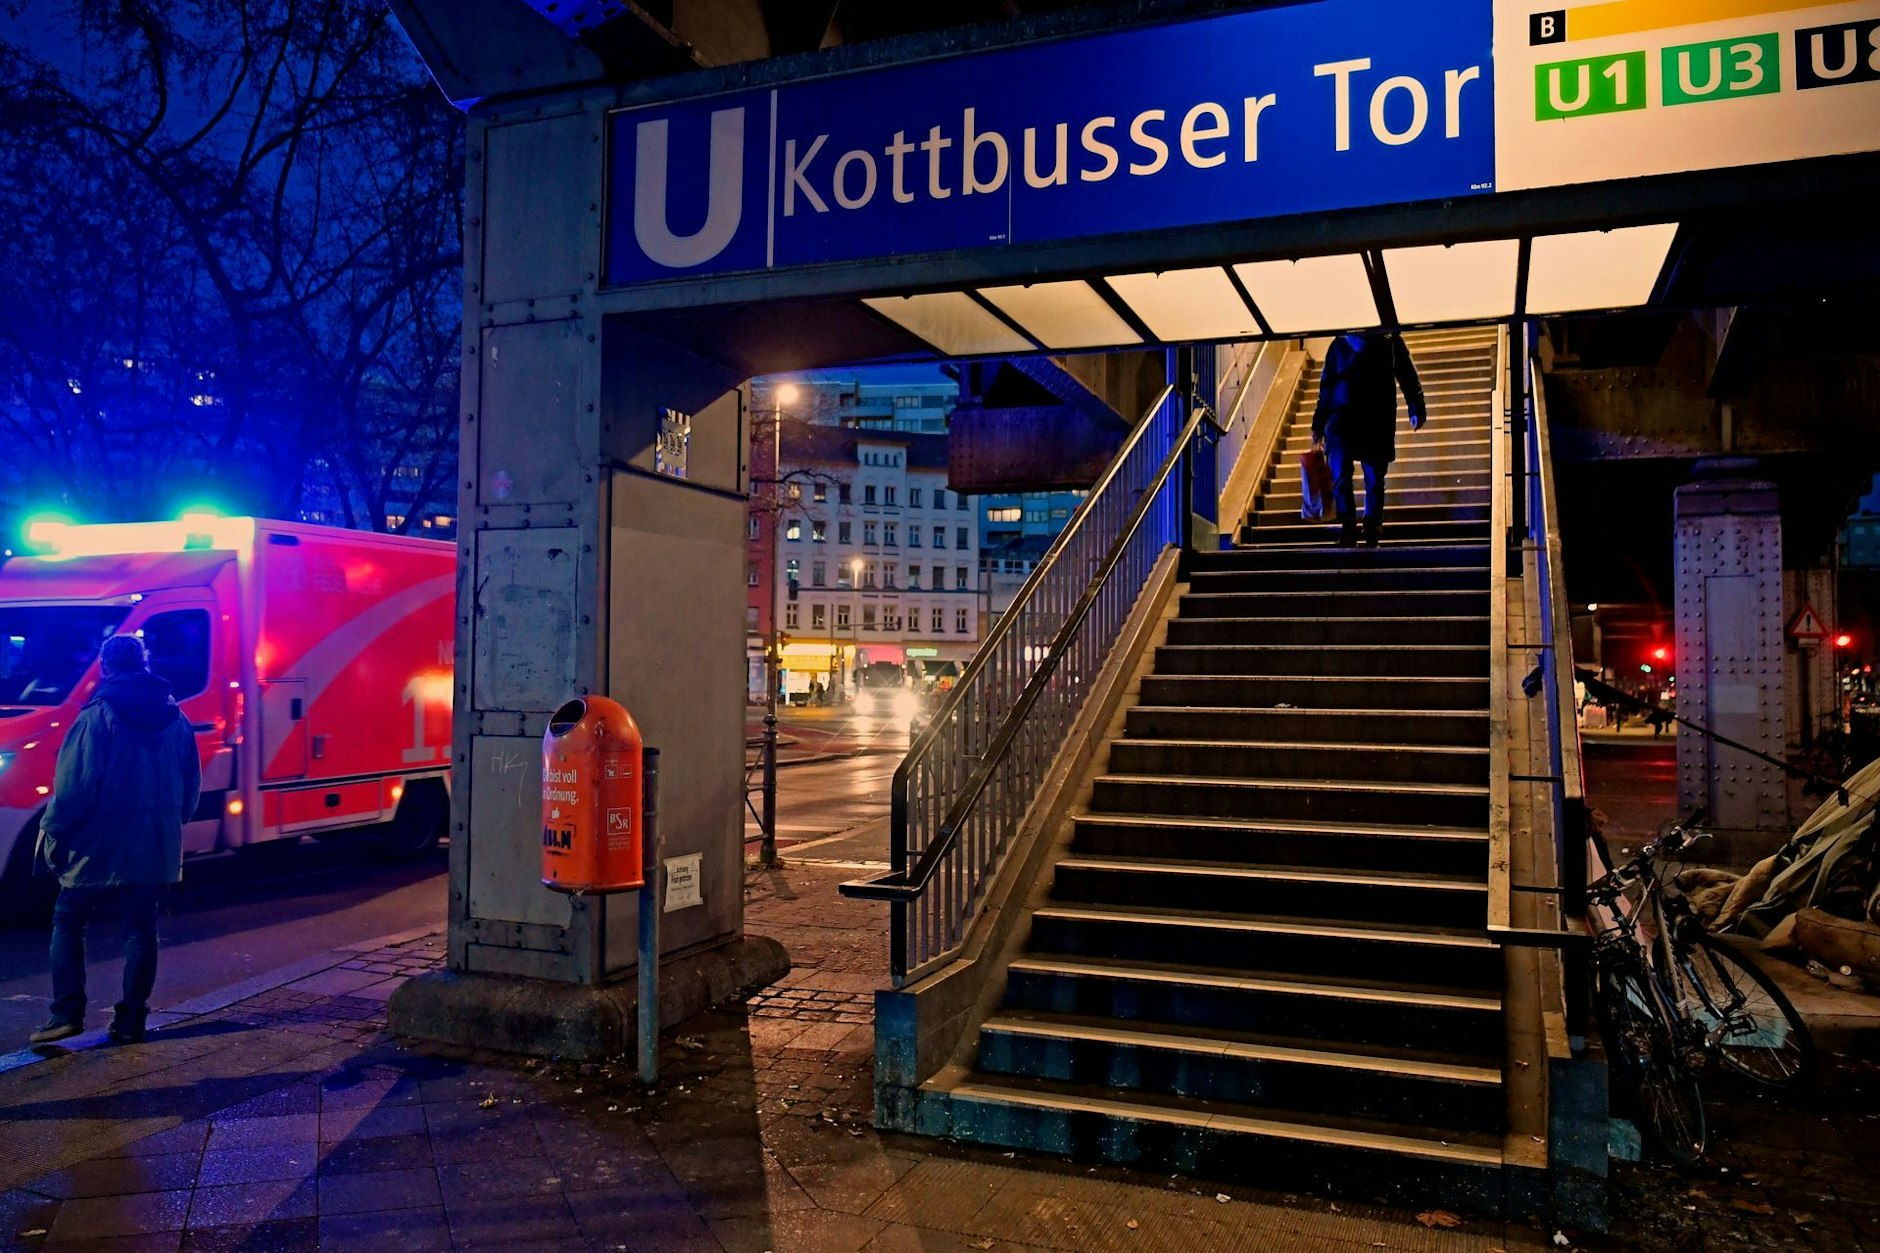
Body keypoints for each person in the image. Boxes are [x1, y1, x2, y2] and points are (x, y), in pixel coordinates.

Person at [29, 634, 199, 1046]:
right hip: (153, 842)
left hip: (99, 843)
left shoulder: (97, 717)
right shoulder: (176, 718)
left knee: (68, 921)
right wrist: (170, 824)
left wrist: (52, 829)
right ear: (144, 663)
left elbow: (74, 791)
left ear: (105, 667)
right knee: (141, 929)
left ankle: (66, 1013)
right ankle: (130, 1021)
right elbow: (190, 787)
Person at [1310, 330, 1427, 547]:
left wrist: (1417, 407)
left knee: (1347, 476)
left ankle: (1354, 527)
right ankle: (1367, 528)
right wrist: (1416, 406)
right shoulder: (1386, 341)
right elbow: (1406, 373)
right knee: (1370, 478)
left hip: (1348, 416)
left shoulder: (1343, 343)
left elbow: (1327, 385)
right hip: (1368, 417)